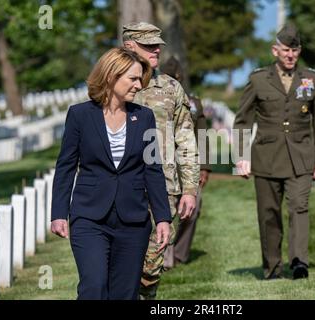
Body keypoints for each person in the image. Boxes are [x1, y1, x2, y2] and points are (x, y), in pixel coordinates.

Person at [50, 47, 171, 300]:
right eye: (133, 78)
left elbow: (153, 169)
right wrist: (59, 213)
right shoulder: (79, 115)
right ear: (111, 76)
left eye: (141, 79)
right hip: (89, 218)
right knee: (93, 287)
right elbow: (66, 166)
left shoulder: (145, 117)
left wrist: (162, 218)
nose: (139, 85)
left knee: (124, 295)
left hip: (133, 221)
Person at [233, 23, 315, 280]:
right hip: (266, 157)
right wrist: (241, 158)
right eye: (286, 50)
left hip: (301, 157)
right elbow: (242, 120)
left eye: (295, 50)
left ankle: (299, 263)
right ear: (275, 50)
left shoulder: (311, 79)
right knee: (269, 213)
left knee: (299, 206)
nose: (290, 55)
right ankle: (273, 267)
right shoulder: (257, 79)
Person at [122, 22, 200, 299]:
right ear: (129, 46)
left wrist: (190, 189)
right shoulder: (110, 87)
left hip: (163, 189)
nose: (157, 49)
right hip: (120, 187)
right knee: (119, 263)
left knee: (152, 265)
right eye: (148, 45)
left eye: (158, 44)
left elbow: (186, 140)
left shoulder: (170, 88)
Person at [160, 56, 211, 267]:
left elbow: (202, 136)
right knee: (166, 209)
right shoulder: (154, 99)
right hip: (162, 163)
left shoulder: (193, 103)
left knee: (193, 207)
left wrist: (205, 167)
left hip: (188, 164)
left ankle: (180, 252)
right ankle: (165, 257)